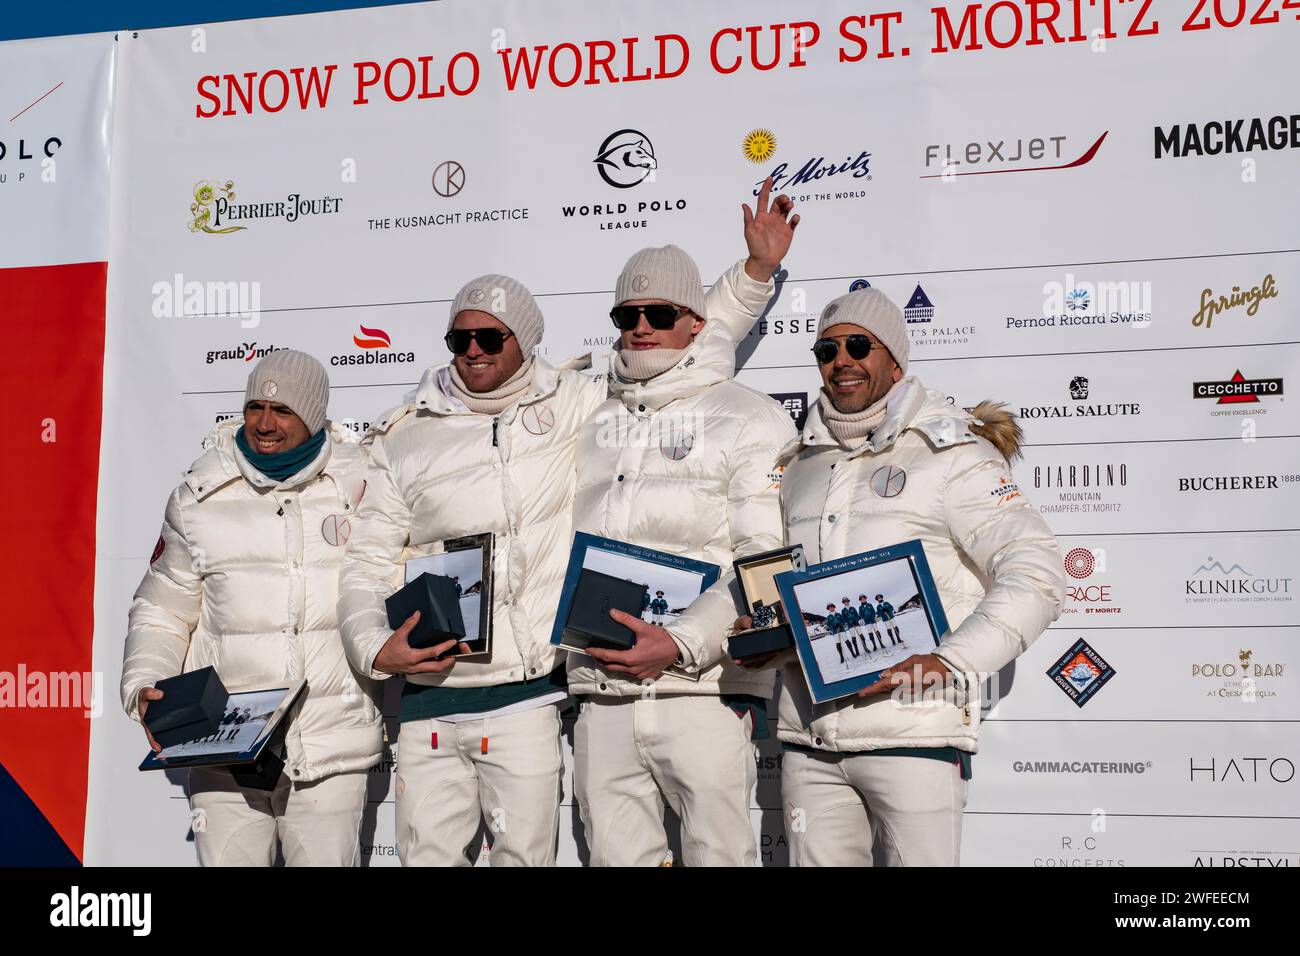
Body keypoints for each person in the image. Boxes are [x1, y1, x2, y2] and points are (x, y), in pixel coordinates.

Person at [339, 181, 798, 867]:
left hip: (648, 688)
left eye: (490, 336)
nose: (473, 349)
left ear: (522, 342)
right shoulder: (424, 432)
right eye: (459, 337)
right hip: (576, 692)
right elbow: (365, 562)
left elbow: (689, 345)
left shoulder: (589, 401)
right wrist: (374, 648)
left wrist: (755, 274)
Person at [736, 287, 1064, 866]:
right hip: (808, 743)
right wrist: (768, 635)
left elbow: (1036, 572)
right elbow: (797, 592)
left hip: (914, 736)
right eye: (826, 349)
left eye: (859, 345)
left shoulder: (954, 453)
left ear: (895, 360)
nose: (842, 361)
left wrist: (951, 661)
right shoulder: (800, 465)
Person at [568, 234, 799, 867]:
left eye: (661, 314)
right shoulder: (587, 414)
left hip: (705, 689)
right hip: (600, 689)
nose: (641, 328)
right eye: (626, 316)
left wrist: (681, 643)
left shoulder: (750, 416)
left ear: (696, 323)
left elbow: (765, 565)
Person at [121, 350, 380, 867]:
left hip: (328, 745)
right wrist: (145, 681)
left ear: (311, 416)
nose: (265, 424)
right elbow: (161, 609)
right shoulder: (199, 496)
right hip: (221, 746)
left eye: (282, 411)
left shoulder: (364, 489)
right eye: (255, 406)